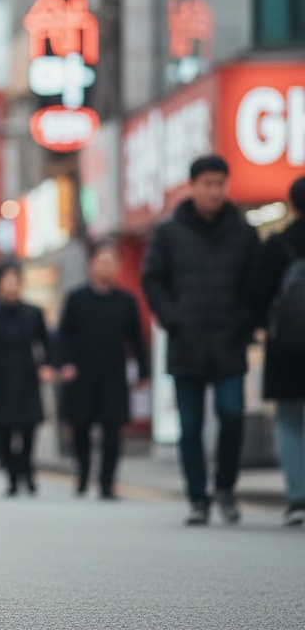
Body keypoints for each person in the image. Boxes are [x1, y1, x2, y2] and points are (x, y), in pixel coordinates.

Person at [142, 154, 259, 526]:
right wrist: (172, 318)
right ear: (191, 186)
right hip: (186, 342)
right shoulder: (168, 232)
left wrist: (245, 321)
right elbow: (152, 280)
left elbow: (255, 286)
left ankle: (224, 486)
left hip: (229, 340)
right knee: (189, 427)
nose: (214, 191)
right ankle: (198, 497)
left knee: (232, 415)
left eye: (220, 184)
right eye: (207, 184)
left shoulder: (244, 232)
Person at [58, 241, 149, 500]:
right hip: (81, 374)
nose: (106, 267)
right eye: (102, 261)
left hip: (113, 373)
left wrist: (143, 372)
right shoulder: (76, 299)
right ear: (91, 265)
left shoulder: (127, 301)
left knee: (113, 429)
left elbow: (137, 340)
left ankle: (108, 481)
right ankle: (84, 472)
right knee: (81, 427)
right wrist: (65, 363)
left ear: (119, 267)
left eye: (111, 262)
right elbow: (64, 336)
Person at [250, 175, 305, 526]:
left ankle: (299, 498)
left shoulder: (275, 246)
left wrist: (261, 329)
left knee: (288, 420)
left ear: (291, 205)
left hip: (285, 347)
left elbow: (256, 297)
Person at [0, 259, 53, 497]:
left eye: (15, 281)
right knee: (2, 429)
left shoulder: (33, 313)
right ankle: (11, 475)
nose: (11, 286)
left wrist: (46, 366)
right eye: (6, 281)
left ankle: (27, 471)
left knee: (29, 428)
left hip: (27, 375)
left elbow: (46, 342)